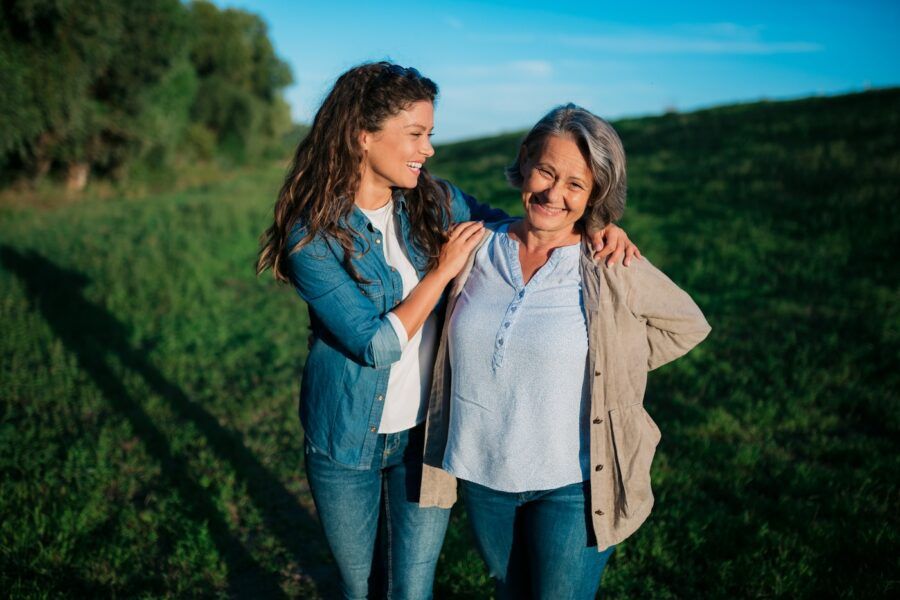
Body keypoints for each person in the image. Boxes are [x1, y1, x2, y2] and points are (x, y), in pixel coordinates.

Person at [256, 65, 639, 599]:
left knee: (412, 589)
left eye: (429, 134)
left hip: (424, 436)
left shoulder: (434, 201)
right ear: (363, 136)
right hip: (345, 439)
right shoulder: (311, 234)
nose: (428, 149)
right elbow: (375, 344)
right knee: (359, 586)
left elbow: (523, 225)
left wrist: (598, 223)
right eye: (416, 134)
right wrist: (440, 273)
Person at [419, 104, 711, 599]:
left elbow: (687, 325)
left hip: (574, 482)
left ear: (595, 193)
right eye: (546, 172)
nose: (554, 194)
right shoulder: (474, 246)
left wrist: (612, 362)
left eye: (576, 184)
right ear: (525, 160)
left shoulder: (606, 260)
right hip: (484, 472)